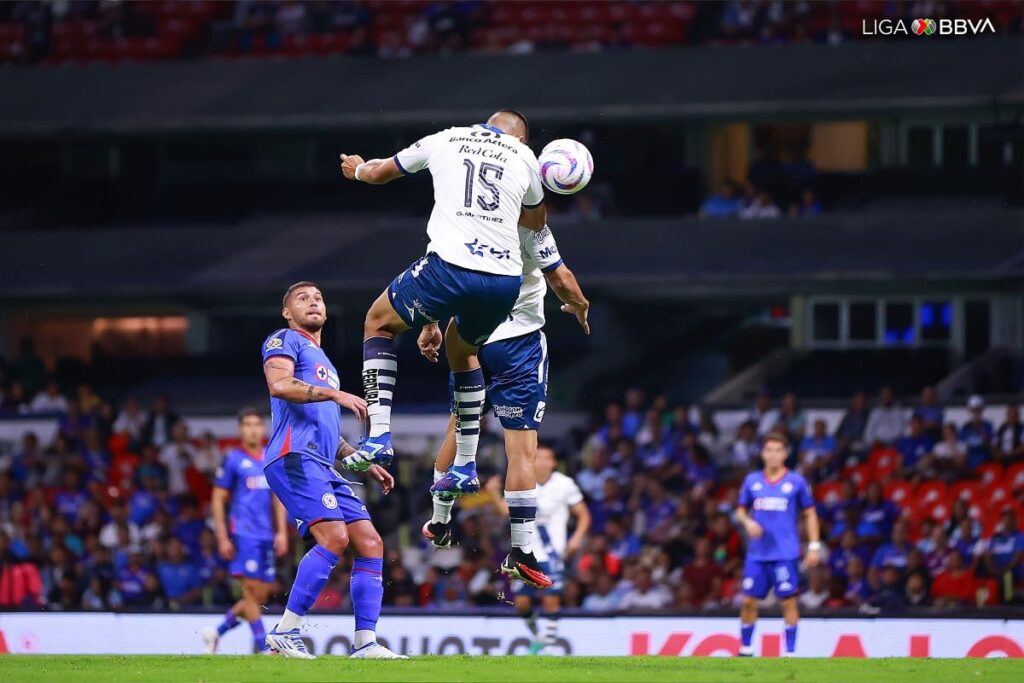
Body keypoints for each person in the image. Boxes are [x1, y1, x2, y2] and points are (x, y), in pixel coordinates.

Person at [338, 110, 548, 476]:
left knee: (378, 322)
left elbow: (379, 172)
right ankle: (464, 466)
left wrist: (357, 170)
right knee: (464, 353)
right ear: (519, 138)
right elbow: (536, 222)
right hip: (503, 282)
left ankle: (378, 436)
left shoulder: (447, 137)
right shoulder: (524, 156)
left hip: (448, 268)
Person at [419, 222, 590, 585]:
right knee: (522, 450)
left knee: (459, 426)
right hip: (518, 346)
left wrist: (429, 324)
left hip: (467, 339)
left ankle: (439, 521)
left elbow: (435, 279)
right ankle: (522, 552)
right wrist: (580, 304)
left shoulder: (465, 222)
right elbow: (562, 278)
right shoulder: (532, 227)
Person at [260, 281, 405, 660]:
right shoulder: (283, 340)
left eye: (318, 298)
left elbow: (325, 425)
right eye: (302, 298)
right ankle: (285, 632)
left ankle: (365, 643)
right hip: (293, 456)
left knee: (370, 542)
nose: (313, 302)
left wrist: (358, 458)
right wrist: (336, 393)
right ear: (287, 312)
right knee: (334, 538)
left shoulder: (323, 361)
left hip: (323, 464)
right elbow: (279, 385)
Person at [484, 446, 590, 654]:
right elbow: (506, 511)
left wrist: (577, 538)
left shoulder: (564, 484)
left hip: (552, 553)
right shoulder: (522, 482)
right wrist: (494, 494)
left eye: (546, 458)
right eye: (537, 458)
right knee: (522, 603)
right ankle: (538, 636)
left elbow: (584, 515)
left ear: (553, 463)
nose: (541, 462)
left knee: (550, 599)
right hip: (525, 552)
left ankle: (549, 646)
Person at [201, 408, 289, 655]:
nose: (252, 429)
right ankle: (264, 648)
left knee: (260, 596)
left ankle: (215, 633)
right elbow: (218, 498)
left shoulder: (271, 458)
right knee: (250, 593)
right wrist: (221, 537)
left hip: (266, 535)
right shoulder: (233, 459)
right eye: (247, 425)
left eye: (256, 424)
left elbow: (278, 498)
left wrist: (281, 532)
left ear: (263, 429)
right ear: (240, 430)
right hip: (243, 534)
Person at [734, 431, 821, 657]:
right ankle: (745, 649)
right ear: (762, 453)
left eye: (778, 450)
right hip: (757, 553)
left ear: (785, 454)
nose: (773, 455)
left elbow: (810, 513)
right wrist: (748, 522)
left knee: (788, 601)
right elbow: (740, 510)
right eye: (769, 450)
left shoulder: (796, 482)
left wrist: (814, 546)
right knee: (748, 601)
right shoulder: (752, 481)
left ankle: (790, 653)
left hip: (785, 553)